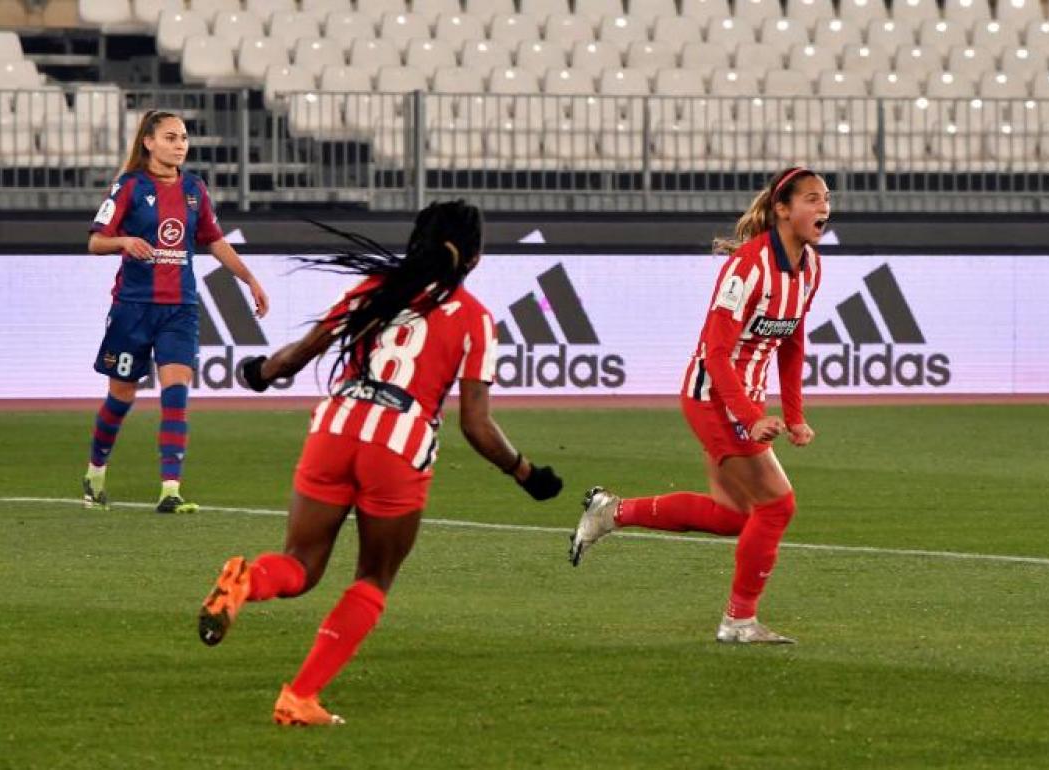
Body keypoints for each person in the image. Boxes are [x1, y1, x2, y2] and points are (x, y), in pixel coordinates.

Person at [196, 200, 563, 726]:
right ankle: (299, 696)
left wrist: (259, 372)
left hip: (336, 422)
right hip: (399, 438)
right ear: (475, 259)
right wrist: (526, 473)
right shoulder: (475, 318)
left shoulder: (374, 290)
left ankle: (246, 582)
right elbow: (476, 425)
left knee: (299, 563)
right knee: (372, 578)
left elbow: (296, 356)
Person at [569, 167, 829, 645]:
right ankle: (738, 621)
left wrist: (794, 415)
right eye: (812, 199)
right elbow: (715, 351)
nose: (824, 208)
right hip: (713, 398)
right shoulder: (747, 268)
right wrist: (750, 419)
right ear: (783, 209)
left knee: (734, 516)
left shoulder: (810, 266)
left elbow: (792, 340)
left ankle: (611, 512)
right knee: (777, 507)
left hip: (740, 402)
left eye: (826, 199)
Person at [83, 109, 269, 514]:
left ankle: (171, 489)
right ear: (148, 142)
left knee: (176, 393)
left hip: (180, 308)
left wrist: (249, 279)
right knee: (121, 397)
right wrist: (124, 241)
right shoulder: (129, 186)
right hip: (133, 308)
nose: (179, 144)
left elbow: (215, 242)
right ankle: (95, 471)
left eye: (183, 137)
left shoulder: (194, 190)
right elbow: (96, 242)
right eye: (170, 137)